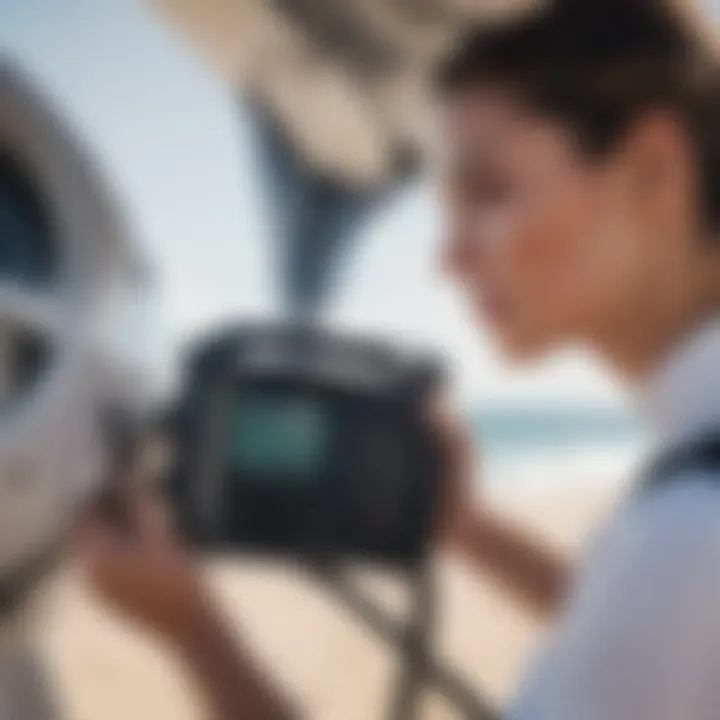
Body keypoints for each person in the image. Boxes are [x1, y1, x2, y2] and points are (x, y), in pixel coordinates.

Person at [76, 0, 720, 718]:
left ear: (653, 168)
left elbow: (653, 607)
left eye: (490, 191)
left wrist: (195, 633)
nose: (448, 257)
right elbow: (638, 643)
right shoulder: (686, 504)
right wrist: (468, 527)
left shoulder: (685, 538)